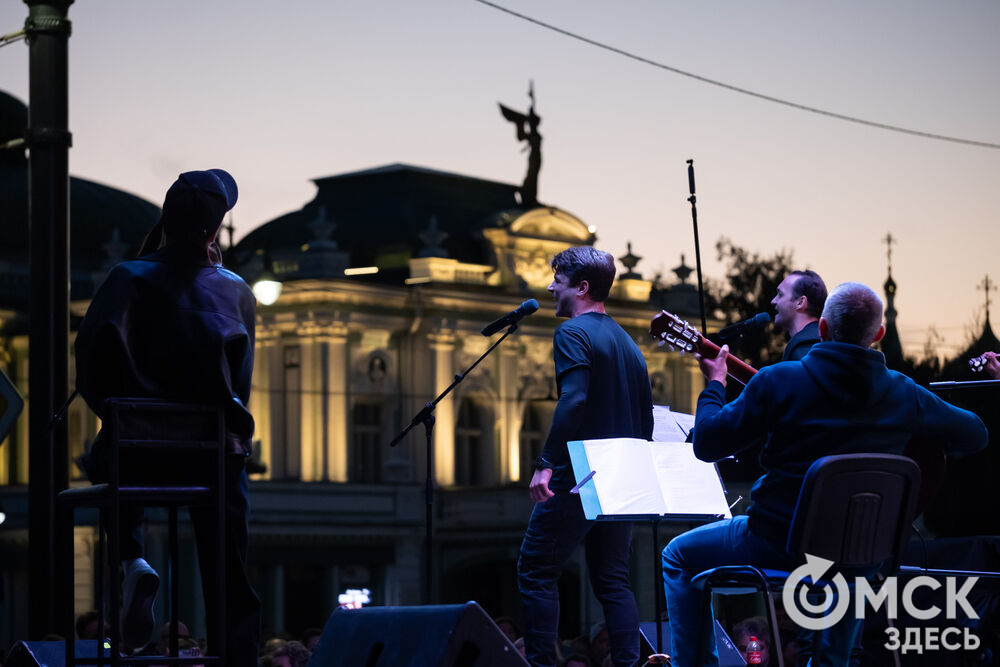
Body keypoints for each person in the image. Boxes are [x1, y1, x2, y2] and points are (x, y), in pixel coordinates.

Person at [661, 282, 988, 667]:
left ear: (823, 330)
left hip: (778, 544)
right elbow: (976, 434)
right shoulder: (905, 393)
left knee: (677, 556)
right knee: (852, 571)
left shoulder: (777, 380)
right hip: (863, 552)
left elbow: (707, 444)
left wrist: (715, 383)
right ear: (879, 335)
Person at [75, 169, 261, 662]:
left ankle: (130, 559)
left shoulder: (126, 278)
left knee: (112, 455)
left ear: (166, 218)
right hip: (213, 458)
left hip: (137, 451)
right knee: (229, 563)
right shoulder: (237, 291)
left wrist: (118, 412)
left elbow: (89, 367)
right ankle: (234, 650)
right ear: (214, 229)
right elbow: (240, 386)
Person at [518, 246, 654, 667]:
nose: (549, 286)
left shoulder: (572, 333)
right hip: (620, 473)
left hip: (580, 471)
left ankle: (542, 664)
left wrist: (546, 463)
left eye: (557, 279)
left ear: (581, 286)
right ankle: (629, 664)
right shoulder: (628, 344)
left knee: (536, 569)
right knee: (613, 581)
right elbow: (645, 418)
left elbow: (573, 401)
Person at [771, 270, 827, 361]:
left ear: (800, 302)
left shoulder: (805, 348)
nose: (773, 301)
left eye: (780, 295)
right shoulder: (821, 342)